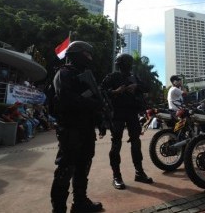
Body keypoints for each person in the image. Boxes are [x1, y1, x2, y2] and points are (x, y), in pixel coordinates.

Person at [50, 41, 103, 213]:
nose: (90, 58)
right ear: (77, 54)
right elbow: (66, 98)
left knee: (83, 165)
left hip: (86, 128)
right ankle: (58, 209)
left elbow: (94, 102)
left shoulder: (87, 76)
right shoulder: (63, 73)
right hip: (70, 128)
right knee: (66, 169)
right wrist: (92, 103)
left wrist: (100, 120)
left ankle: (80, 202)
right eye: (87, 54)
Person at [101, 54, 153, 190]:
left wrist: (136, 86)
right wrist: (115, 92)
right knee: (116, 144)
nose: (127, 66)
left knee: (136, 142)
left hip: (132, 113)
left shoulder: (134, 77)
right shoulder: (112, 77)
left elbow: (147, 87)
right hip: (117, 113)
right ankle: (116, 176)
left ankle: (139, 172)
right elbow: (101, 91)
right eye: (125, 63)